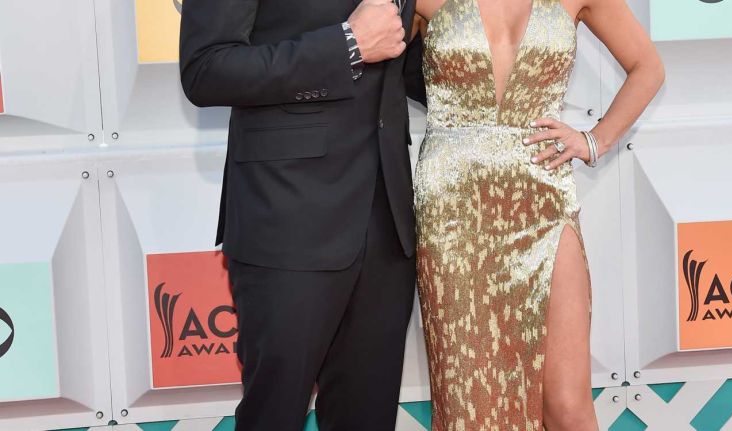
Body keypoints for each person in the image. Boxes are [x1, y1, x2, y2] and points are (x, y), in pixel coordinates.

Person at [412, 0, 664, 429]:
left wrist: (594, 140)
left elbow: (648, 67)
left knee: (567, 406)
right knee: (469, 399)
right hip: (452, 211)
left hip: (544, 201)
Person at [179, 0, 427, 429]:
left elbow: (401, 60)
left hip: (388, 220)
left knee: (367, 418)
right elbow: (206, 69)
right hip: (288, 214)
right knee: (274, 416)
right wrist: (346, 45)